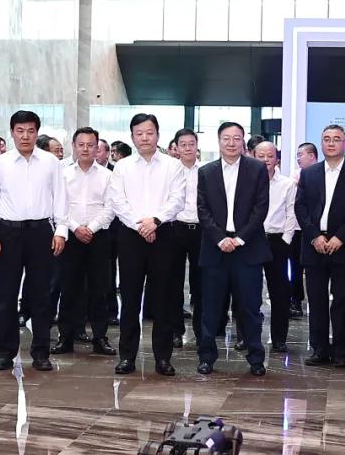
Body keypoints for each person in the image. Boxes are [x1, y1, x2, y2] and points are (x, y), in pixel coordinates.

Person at [0, 110, 68, 372]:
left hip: (41, 232)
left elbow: (60, 197)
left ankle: (41, 352)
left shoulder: (50, 162)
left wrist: (61, 230)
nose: (25, 136)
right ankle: (5, 351)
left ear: (37, 133)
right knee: (6, 294)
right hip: (8, 232)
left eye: (30, 131)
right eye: (20, 131)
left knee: (41, 294)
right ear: (12, 132)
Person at [107, 113, 186, 376]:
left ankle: (163, 358)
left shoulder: (173, 165)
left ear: (158, 135)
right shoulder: (122, 166)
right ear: (132, 137)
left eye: (149, 133)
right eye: (139, 133)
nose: (144, 138)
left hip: (163, 235)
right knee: (130, 298)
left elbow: (177, 199)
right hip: (131, 236)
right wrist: (141, 225)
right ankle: (127, 356)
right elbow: (117, 201)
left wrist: (155, 221)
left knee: (163, 298)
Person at [196, 122, 270, 376]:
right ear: (218, 141)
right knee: (210, 309)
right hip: (215, 248)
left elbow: (260, 208)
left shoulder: (257, 169)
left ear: (243, 141)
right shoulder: (206, 172)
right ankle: (206, 357)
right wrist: (220, 239)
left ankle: (256, 358)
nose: (231, 143)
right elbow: (203, 210)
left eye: (236, 138)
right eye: (226, 138)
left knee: (250, 308)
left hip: (247, 249)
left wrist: (239, 239)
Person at [294, 124, 345, 368]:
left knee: (342, 302)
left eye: (336, 139)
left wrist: (340, 238)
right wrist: (314, 236)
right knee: (316, 301)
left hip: (344, 246)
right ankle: (319, 349)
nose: (331, 143)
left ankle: (339, 352)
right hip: (314, 245)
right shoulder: (309, 173)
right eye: (326, 139)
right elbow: (300, 207)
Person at [51, 127, 117, 357]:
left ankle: (100, 337)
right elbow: (58, 206)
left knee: (100, 288)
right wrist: (76, 228)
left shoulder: (107, 176)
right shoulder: (63, 174)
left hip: (99, 236)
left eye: (91, 145)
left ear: (97, 148)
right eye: (81, 145)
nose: (86, 149)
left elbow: (111, 208)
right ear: (74, 147)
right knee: (69, 288)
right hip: (70, 235)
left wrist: (91, 228)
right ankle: (66, 337)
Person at [253, 141, 296, 353]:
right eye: (261, 156)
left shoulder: (287, 184)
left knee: (279, 293)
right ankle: (246, 337)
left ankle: (279, 338)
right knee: (249, 291)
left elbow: (291, 213)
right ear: (253, 157)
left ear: (277, 159)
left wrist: (286, 240)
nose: (265, 160)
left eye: (269, 156)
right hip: (251, 240)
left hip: (277, 241)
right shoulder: (247, 181)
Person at [169, 128, 203, 347]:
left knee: (201, 283)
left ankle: (201, 331)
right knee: (174, 282)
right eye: (183, 144)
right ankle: (175, 330)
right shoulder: (170, 171)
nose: (188, 148)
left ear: (197, 146)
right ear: (176, 148)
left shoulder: (207, 170)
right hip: (175, 229)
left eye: (191, 144)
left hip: (201, 230)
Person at [290, 142, 317, 318]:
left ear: (312, 156)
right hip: (297, 228)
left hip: (315, 230)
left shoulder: (321, 174)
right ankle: (296, 300)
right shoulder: (295, 175)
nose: (298, 158)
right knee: (295, 268)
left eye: (301, 154)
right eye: (297, 155)